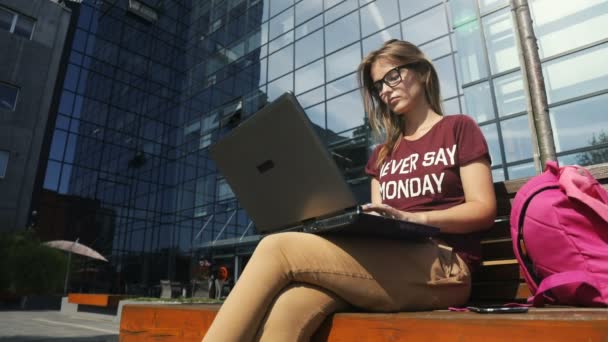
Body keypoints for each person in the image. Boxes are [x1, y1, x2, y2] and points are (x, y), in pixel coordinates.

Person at [202, 39, 496, 342]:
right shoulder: (383, 154)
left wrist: (417, 219)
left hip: (445, 267)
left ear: (421, 72)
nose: (384, 90)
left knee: (276, 249)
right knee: (288, 307)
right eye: (378, 86)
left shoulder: (458, 128)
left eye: (391, 76)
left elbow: (483, 209)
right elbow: (382, 223)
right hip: (387, 262)